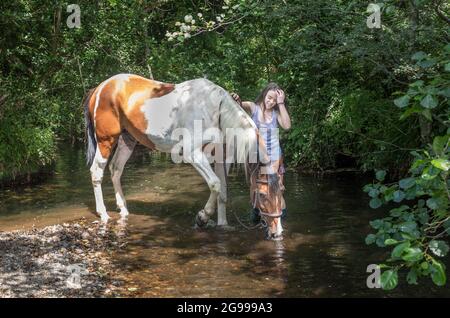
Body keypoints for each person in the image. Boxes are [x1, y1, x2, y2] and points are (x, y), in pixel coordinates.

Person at [231, 83, 291, 223]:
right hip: (255, 157)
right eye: (269, 98)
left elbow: (287, 126)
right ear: (264, 94)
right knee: (255, 189)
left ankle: (280, 223)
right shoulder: (253, 107)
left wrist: (281, 103)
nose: (271, 102)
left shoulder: (276, 113)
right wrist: (236, 98)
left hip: (274, 157)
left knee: (277, 191)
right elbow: (238, 105)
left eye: (274, 100)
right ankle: (257, 215)